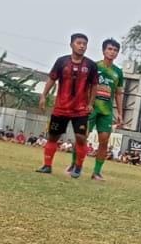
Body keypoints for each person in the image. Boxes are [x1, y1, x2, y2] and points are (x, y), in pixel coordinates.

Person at [35, 34, 98, 177]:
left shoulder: (90, 65)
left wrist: (90, 103)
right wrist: (44, 95)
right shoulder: (61, 62)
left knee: (81, 138)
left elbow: (94, 85)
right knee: (53, 137)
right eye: (79, 43)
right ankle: (47, 165)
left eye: (85, 44)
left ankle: (78, 167)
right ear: (71, 44)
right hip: (61, 107)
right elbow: (52, 79)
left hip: (80, 109)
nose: (82, 46)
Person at [69, 38, 124, 181]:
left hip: (106, 111)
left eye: (115, 50)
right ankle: (75, 164)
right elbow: (83, 86)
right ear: (104, 50)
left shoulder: (118, 72)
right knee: (81, 137)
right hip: (89, 108)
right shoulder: (93, 66)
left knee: (104, 141)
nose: (112, 52)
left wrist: (120, 113)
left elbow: (118, 93)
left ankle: (97, 172)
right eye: (110, 49)